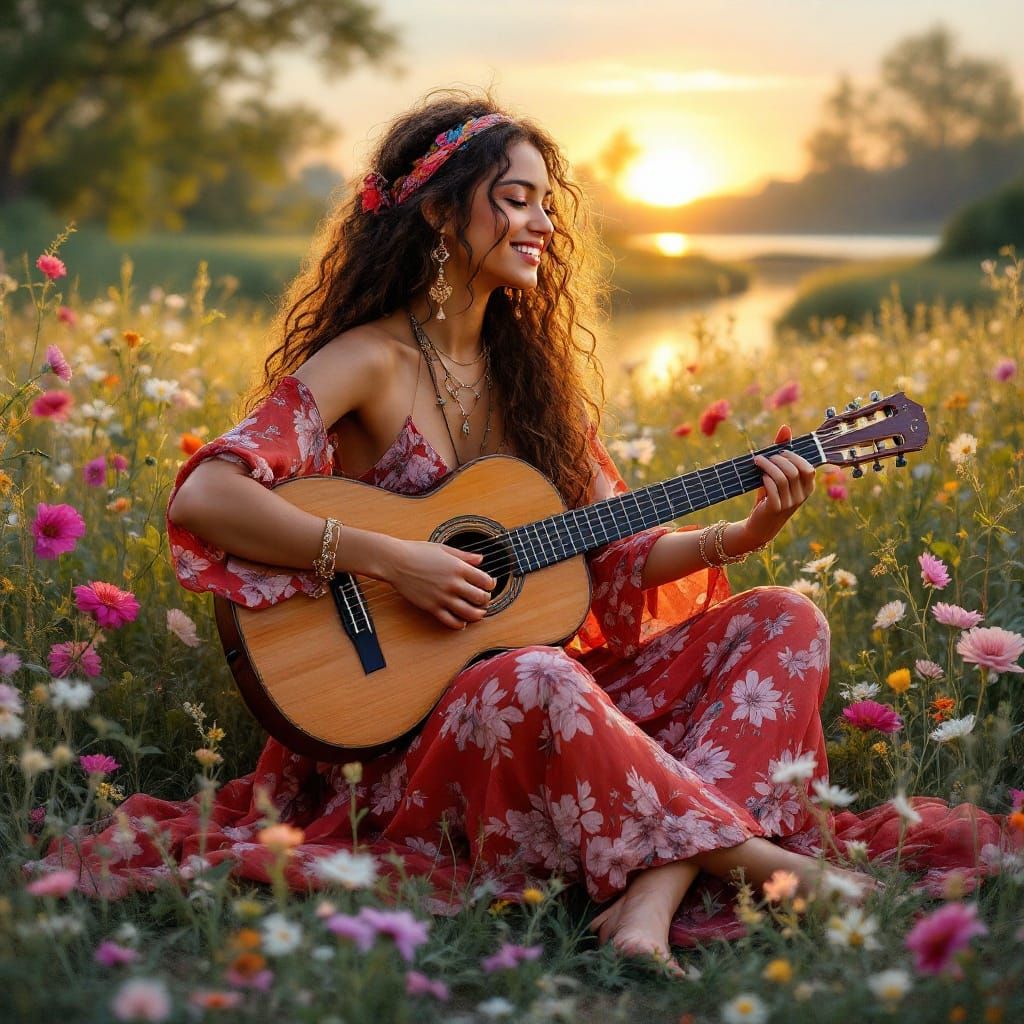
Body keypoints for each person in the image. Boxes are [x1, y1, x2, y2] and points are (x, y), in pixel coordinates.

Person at [29, 89, 1010, 974]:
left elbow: (614, 558)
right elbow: (208, 495)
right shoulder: (368, 360)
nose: (544, 222)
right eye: (516, 199)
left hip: (536, 695)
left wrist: (743, 536)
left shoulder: (532, 387)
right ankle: (759, 863)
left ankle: (654, 891)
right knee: (536, 674)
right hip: (398, 730)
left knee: (786, 618)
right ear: (438, 213)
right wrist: (392, 556)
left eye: (548, 203)